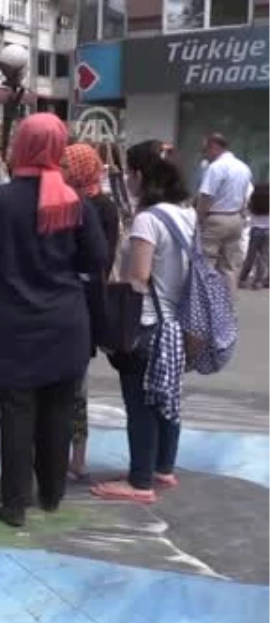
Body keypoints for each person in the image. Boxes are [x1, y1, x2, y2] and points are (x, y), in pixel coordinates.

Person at [0, 113, 109, 527]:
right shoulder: (75, 202)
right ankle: (52, 493)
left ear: (22, 146)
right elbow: (97, 259)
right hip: (65, 323)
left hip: (11, 323)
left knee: (16, 411)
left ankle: (14, 503)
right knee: (59, 409)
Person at [91, 140, 195, 505]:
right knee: (168, 398)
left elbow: (138, 278)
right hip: (174, 325)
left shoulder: (148, 220)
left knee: (141, 405)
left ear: (138, 175)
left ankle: (139, 482)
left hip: (146, 326)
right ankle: (163, 467)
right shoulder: (186, 213)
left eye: (127, 173)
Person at [61, 143, 123, 481]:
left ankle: (78, 455)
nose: (63, 171)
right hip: (71, 301)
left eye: (68, 166)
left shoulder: (100, 206)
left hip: (84, 302)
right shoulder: (65, 200)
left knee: (77, 386)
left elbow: (103, 259)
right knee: (67, 384)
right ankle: (63, 450)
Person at [196, 133, 252, 291]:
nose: (204, 154)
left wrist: (199, 218)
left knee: (206, 261)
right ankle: (228, 303)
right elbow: (244, 197)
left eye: (205, 150)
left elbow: (206, 196)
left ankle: (205, 300)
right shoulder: (243, 167)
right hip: (235, 218)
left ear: (214, 148)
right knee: (229, 265)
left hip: (216, 218)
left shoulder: (215, 168)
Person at [238, 182, 270, 289]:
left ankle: (243, 278)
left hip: (255, 230)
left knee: (250, 256)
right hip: (268, 231)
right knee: (264, 257)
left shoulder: (254, 202)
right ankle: (258, 281)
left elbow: (246, 212)